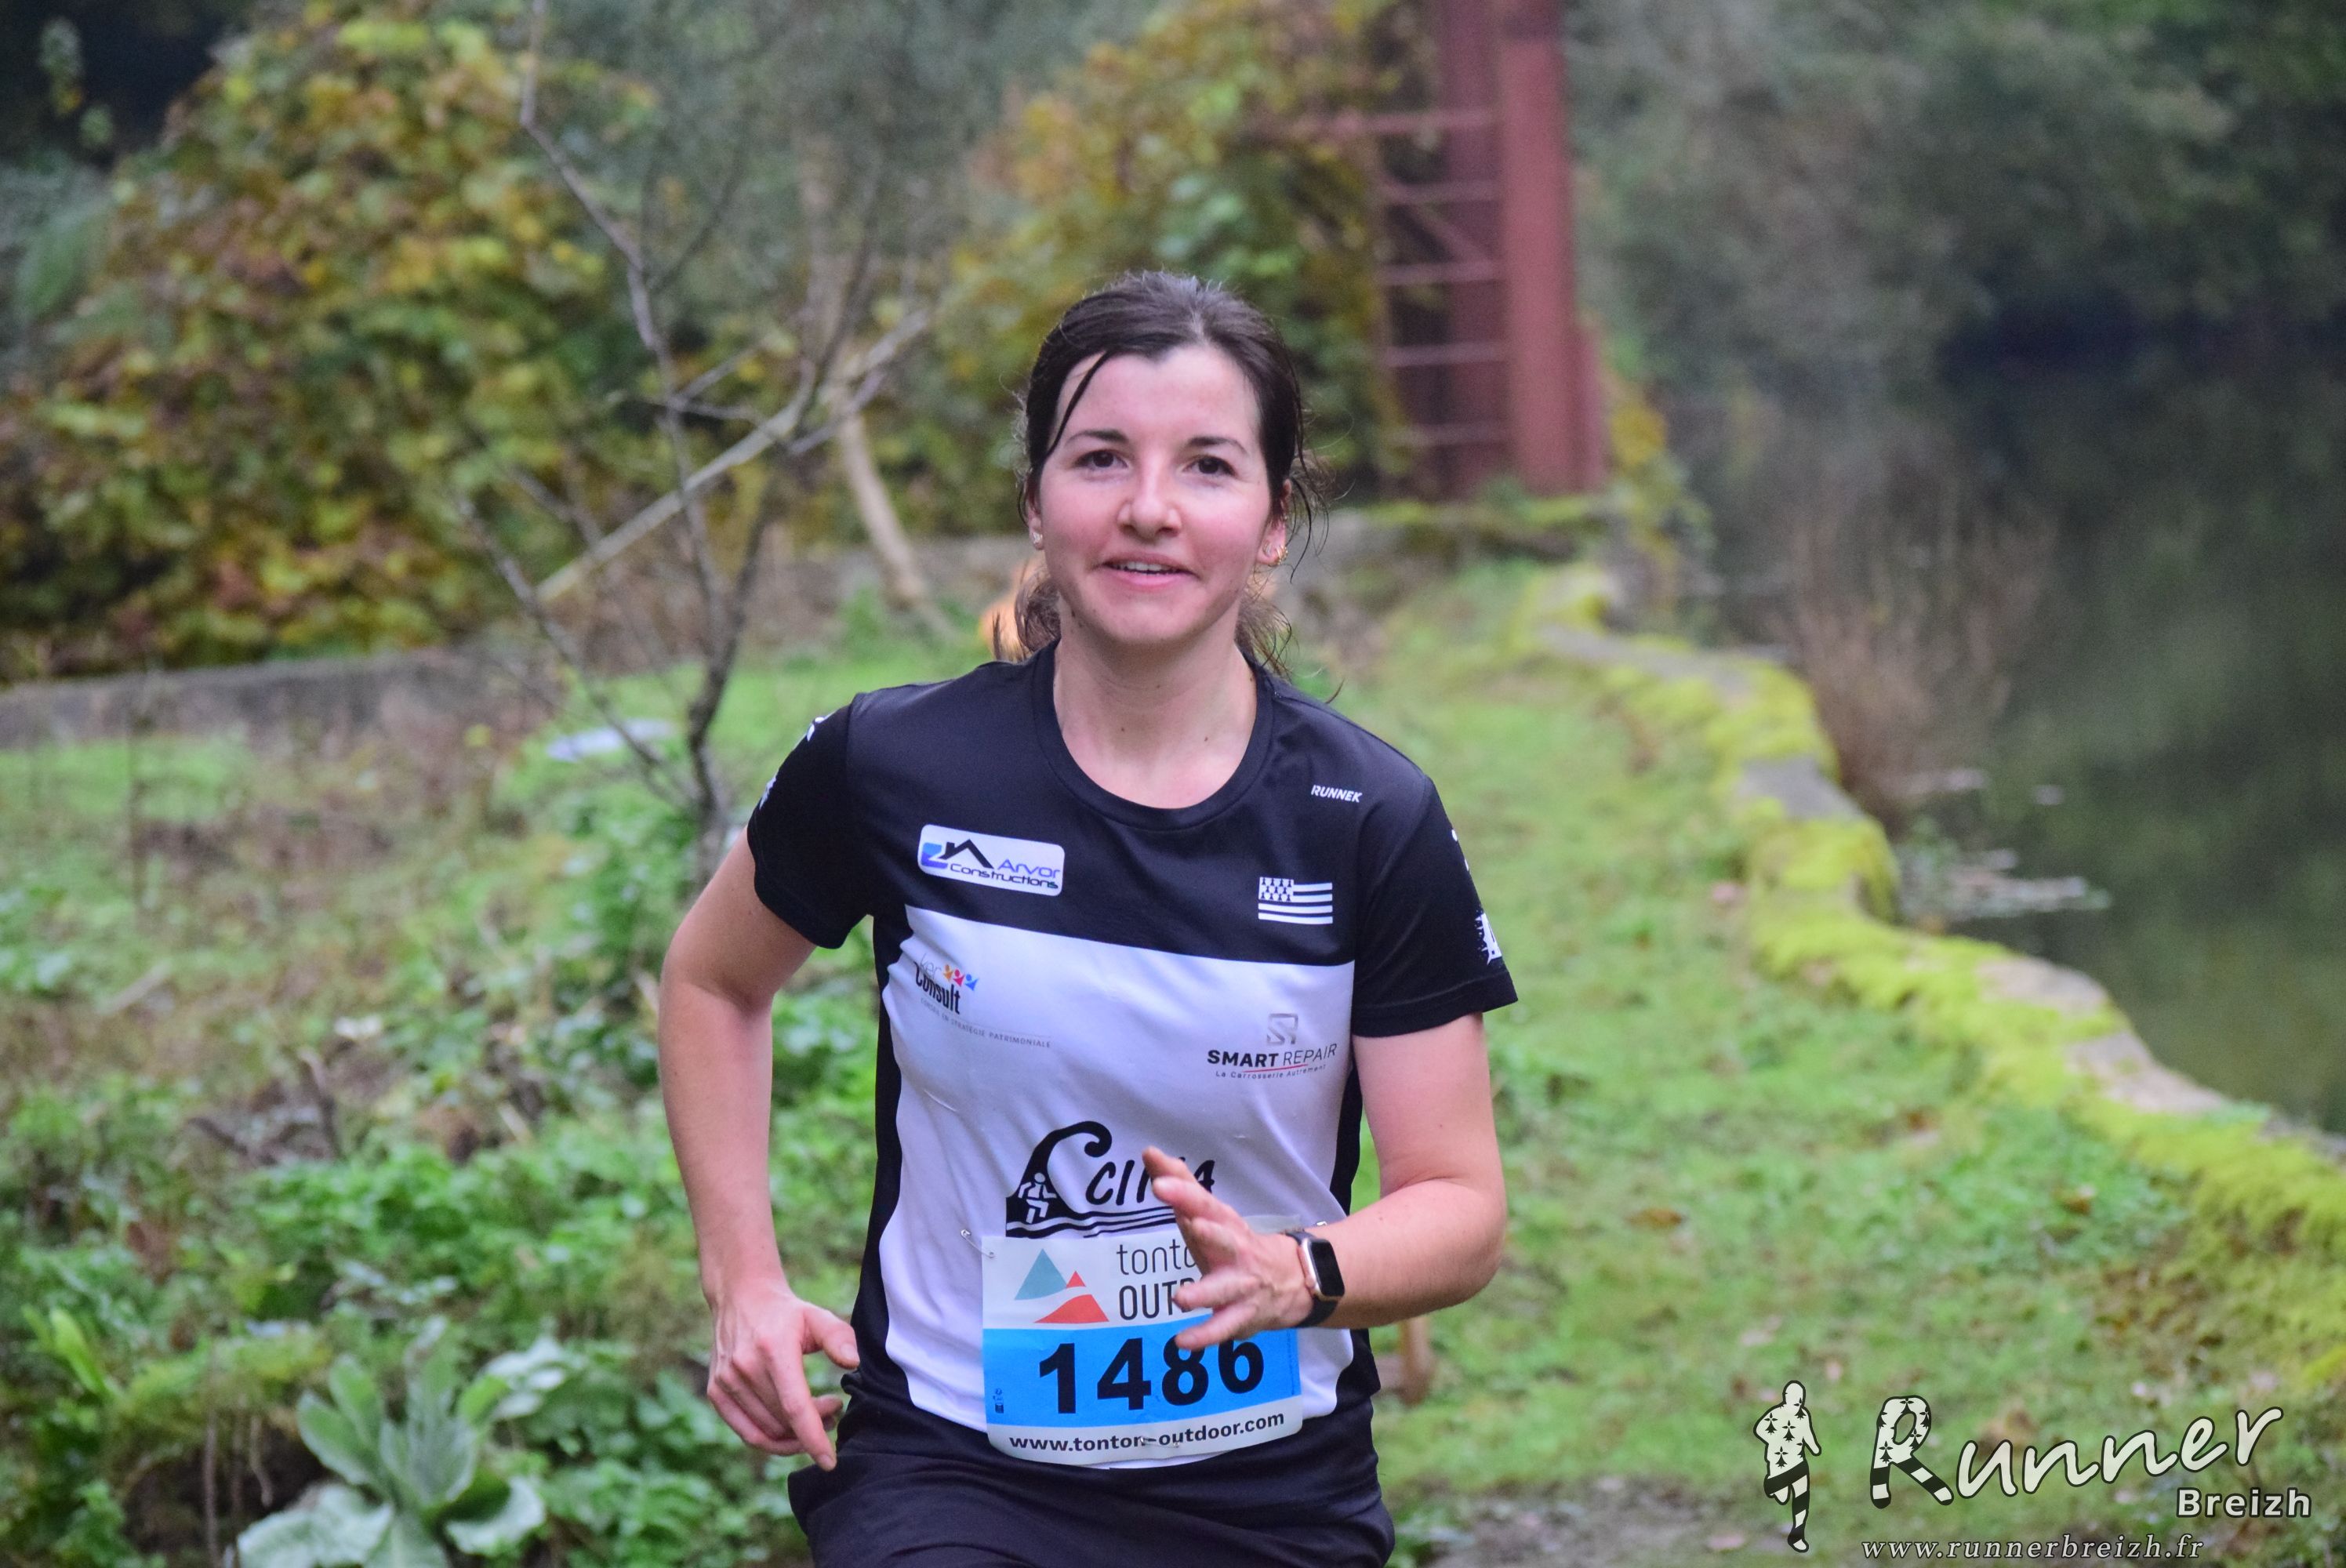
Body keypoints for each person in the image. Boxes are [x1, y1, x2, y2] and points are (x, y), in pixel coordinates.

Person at [656, 269, 1516, 1566]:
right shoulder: (894, 767)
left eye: (1208, 466)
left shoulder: (1365, 819)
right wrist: (744, 1285)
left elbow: (1459, 1203)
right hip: (950, 1467)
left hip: (1267, 1490)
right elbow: (714, 984)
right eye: (1101, 457)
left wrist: (1298, 1274)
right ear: (1035, 499)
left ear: (1272, 522)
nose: (1148, 508)